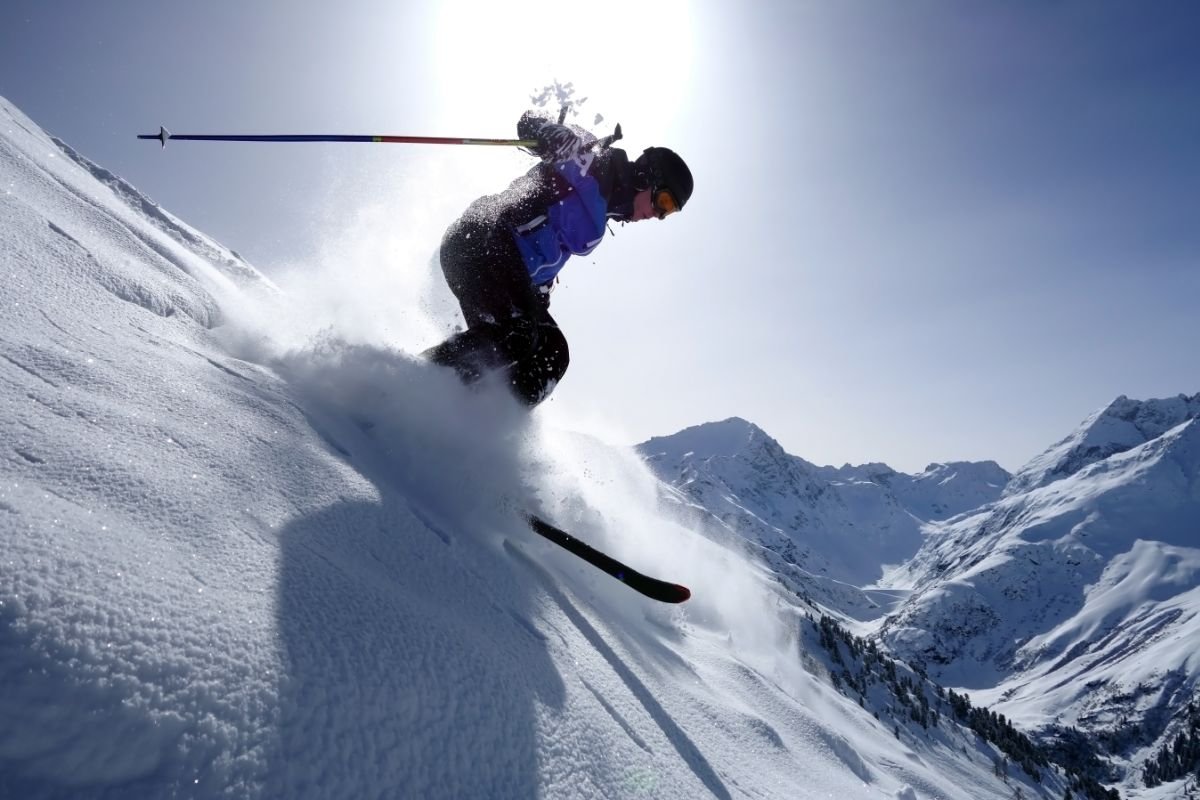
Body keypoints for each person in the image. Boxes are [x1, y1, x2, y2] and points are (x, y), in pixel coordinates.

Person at [423, 111, 693, 406]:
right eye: (663, 201)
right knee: (518, 334)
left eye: (669, 212)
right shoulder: (595, 166)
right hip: (480, 239)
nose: (659, 214)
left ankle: (477, 420)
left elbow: (542, 257)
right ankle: (415, 385)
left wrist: (537, 299)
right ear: (647, 177)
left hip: (505, 269)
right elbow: (530, 122)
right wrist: (550, 133)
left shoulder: (602, 213)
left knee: (552, 352)